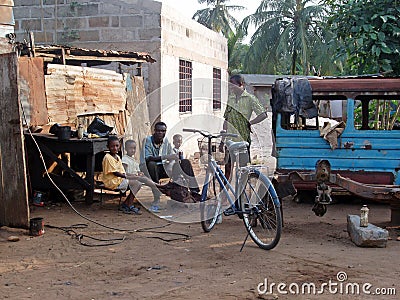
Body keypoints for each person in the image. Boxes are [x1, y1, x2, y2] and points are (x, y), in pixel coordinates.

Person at [140, 122, 199, 212]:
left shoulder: (165, 141)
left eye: (163, 131)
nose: (160, 133)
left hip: (163, 168)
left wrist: (175, 161)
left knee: (185, 162)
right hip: (148, 169)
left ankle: (194, 191)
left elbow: (171, 155)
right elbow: (148, 158)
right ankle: (157, 196)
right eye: (158, 131)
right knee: (152, 164)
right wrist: (166, 157)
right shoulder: (147, 140)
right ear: (154, 131)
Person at [220, 74, 268, 180]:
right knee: (228, 168)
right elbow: (226, 119)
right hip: (229, 140)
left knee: (243, 169)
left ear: (241, 84)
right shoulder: (231, 98)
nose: (231, 87)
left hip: (243, 139)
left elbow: (263, 114)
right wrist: (222, 139)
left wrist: (250, 123)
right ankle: (225, 193)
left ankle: (241, 194)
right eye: (230, 85)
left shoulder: (250, 99)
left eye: (233, 85)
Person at [102, 136, 155, 214]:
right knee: (137, 183)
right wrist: (130, 177)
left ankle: (126, 204)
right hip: (112, 182)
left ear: (119, 146)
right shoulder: (108, 157)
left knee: (139, 181)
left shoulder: (117, 157)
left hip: (119, 180)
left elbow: (123, 172)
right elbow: (116, 173)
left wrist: (134, 175)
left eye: (117, 146)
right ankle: (128, 205)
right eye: (112, 146)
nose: (115, 148)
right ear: (108, 147)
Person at [121, 139, 142, 205]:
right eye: (130, 148)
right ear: (126, 149)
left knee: (141, 182)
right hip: (126, 179)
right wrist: (133, 176)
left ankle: (127, 202)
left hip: (134, 178)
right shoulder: (125, 159)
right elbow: (123, 172)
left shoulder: (134, 160)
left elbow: (137, 171)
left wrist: (140, 173)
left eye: (134, 148)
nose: (133, 150)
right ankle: (129, 204)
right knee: (137, 184)